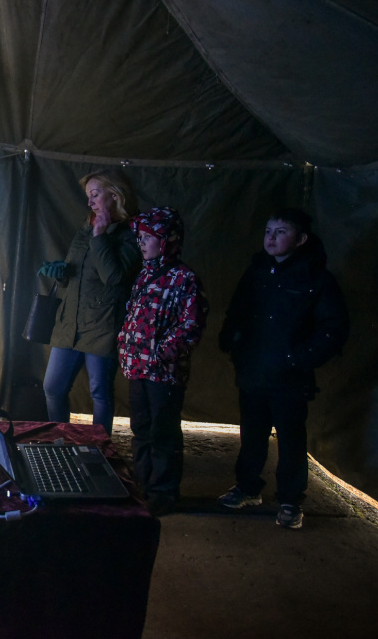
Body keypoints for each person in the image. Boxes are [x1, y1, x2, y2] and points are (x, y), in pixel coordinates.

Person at [217, 208, 349, 529]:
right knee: (252, 434)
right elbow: (237, 312)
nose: (271, 238)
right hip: (254, 372)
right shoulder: (257, 272)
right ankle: (248, 488)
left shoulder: (315, 279)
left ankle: (291, 501)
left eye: (280, 232)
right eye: (268, 231)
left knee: (290, 440)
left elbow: (333, 329)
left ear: (300, 239)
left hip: (290, 379)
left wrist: (298, 359)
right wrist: (233, 344)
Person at [118, 206, 207, 516]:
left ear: (166, 240)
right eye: (139, 237)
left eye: (147, 237)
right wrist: (126, 346)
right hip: (138, 368)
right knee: (141, 429)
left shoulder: (184, 279)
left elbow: (191, 326)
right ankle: (142, 486)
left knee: (163, 434)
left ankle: (163, 493)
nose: (141, 243)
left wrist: (161, 352)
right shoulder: (144, 274)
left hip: (164, 374)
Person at [40, 169, 141, 433]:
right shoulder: (87, 225)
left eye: (95, 195)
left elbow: (114, 277)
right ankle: (61, 442)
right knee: (53, 387)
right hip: (69, 322)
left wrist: (100, 235)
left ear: (115, 195)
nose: (90, 202)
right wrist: (61, 273)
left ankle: (99, 448)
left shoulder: (131, 232)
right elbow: (75, 273)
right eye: (88, 196)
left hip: (102, 325)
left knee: (100, 392)